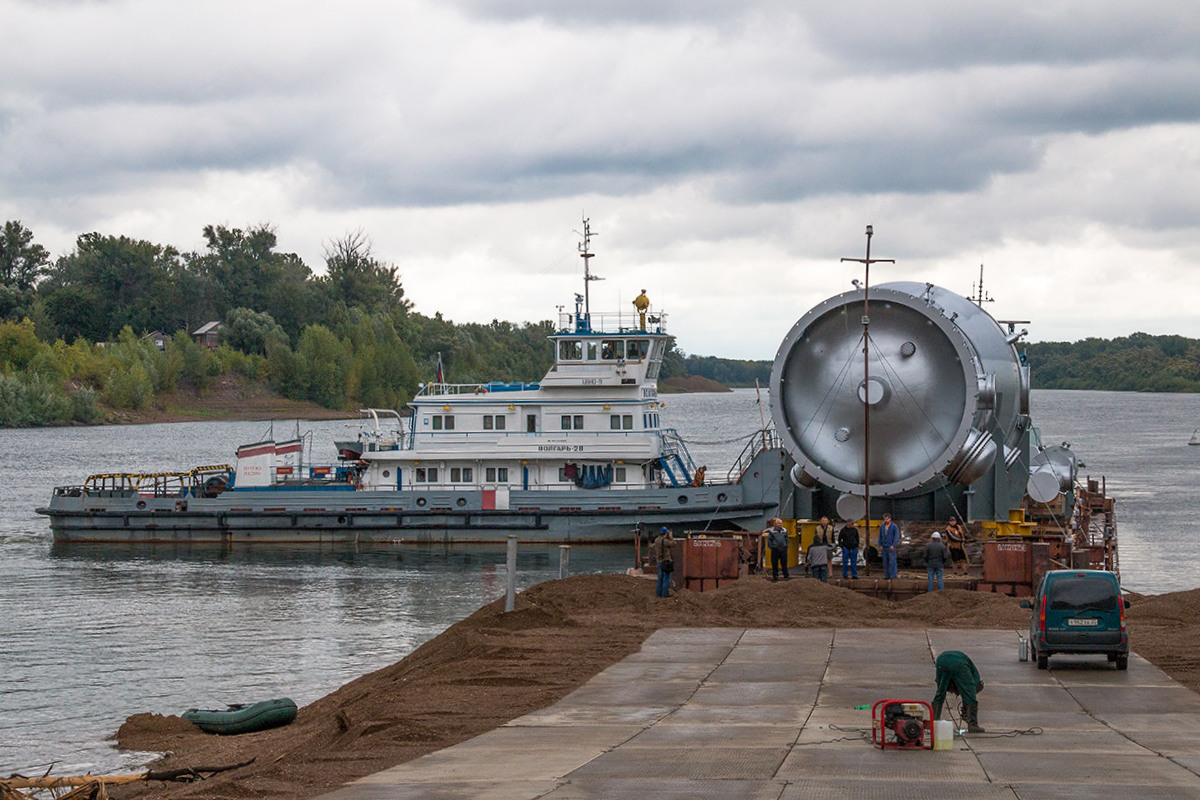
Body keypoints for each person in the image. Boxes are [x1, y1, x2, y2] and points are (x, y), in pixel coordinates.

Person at [932, 650, 985, 733]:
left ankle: (934, 721)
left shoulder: (968, 668)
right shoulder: (975, 679)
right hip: (958, 663)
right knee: (969, 694)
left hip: (941, 660)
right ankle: (973, 725)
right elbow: (969, 693)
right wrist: (966, 708)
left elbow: (939, 683)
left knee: (940, 692)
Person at [652, 527, 675, 598]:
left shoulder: (656, 540)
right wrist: (671, 537)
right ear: (666, 533)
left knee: (660, 578)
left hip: (659, 561)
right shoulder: (665, 541)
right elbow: (674, 543)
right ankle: (665, 594)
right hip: (666, 561)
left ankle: (658, 594)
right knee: (667, 578)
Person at [879, 513, 900, 579]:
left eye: (887, 519)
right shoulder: (882, 527)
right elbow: (880, 536)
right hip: (884, 546)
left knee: (892, 561)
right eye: (885, 519)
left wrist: (893, 545)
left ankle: (893, 575)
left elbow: (896, 536)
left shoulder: (894, 527)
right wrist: (880, 544)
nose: (886, 520)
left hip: (890, 546)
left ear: (890, 519)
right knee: (885, 562)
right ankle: (887, 575)